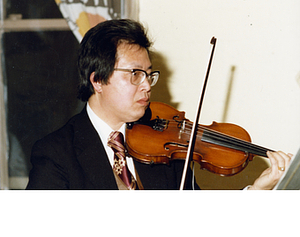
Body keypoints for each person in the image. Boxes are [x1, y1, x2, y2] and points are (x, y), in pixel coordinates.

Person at [26, 19, 292, 190]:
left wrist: (257, 191)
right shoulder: (55, 154)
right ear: (97, 80)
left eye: (148, 74)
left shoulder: (167, 147)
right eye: (134, 74)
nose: (147, 85)